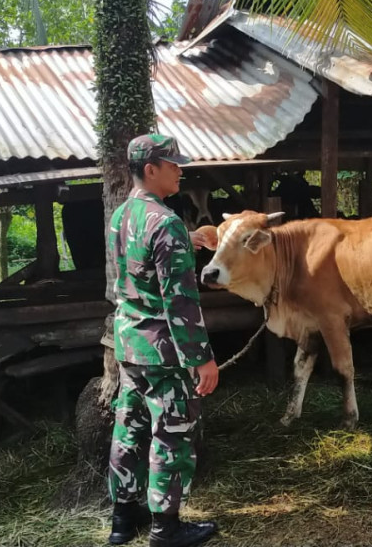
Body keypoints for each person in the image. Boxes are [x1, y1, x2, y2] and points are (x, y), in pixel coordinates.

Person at [106, 133, 219, 547]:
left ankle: (123, 519)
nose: (180, 170)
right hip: (165, 350)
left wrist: (190, 240)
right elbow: (180, 302)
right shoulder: (166, 222)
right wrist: (201, 358)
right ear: (150, 169)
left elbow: (140, 266)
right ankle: (165, 528)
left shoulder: (122, 216)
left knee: (129, 427)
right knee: (171, 432)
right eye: (173, 165)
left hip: (130, 343)